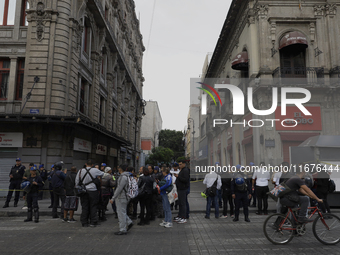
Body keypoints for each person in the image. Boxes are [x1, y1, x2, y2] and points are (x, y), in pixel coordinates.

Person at [76, 159, 104, 227]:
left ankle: (84, 222)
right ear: (92, 165)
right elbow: (102, 174)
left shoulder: (80, 171)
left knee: (84, 206)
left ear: (86, 164)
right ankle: (93, 221)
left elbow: (77, 181)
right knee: (93, 206)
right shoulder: (95, 170)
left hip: (83, 191)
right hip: (92, 190)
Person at [110, 164, 133, 235]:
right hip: (124, 196)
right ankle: (129, 222)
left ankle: (123, 229)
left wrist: (113, 198)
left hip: (121, 197)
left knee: (121, 213)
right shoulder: (127, 176)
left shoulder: (123, 177)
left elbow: (119, 188)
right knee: (122, 212)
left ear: (120, 169)